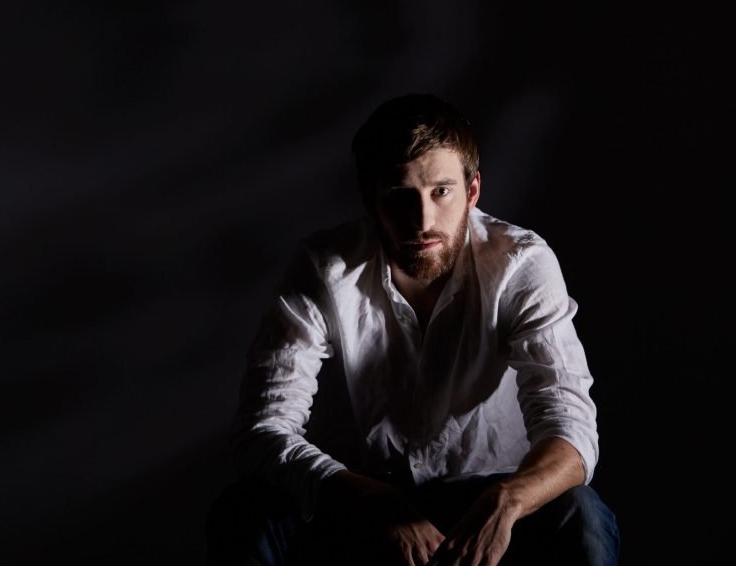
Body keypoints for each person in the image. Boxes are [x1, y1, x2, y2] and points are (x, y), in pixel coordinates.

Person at [206, 93, 620, 566]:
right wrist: (372, 500)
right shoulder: (324, 268)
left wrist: (508, 502)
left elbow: (572, 430)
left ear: (473, 190)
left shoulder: (520, 264)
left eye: (441, 191)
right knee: (244, 512)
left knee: (581, 515)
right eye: (401, 196)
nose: (422, 220)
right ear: (370, 199)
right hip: (359, 499)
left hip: (490, 500)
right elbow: (263, 430)